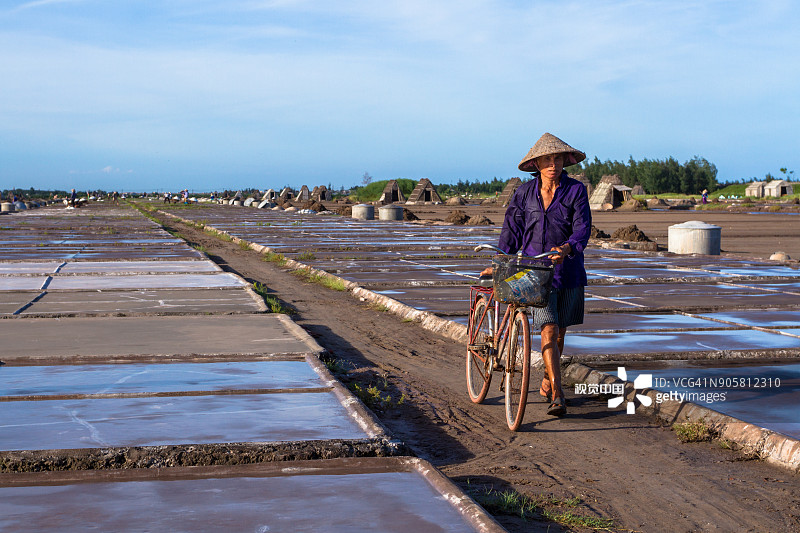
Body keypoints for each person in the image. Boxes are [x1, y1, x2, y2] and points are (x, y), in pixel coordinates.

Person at [481, 133, 591, 417]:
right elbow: (512, 230)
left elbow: (582, 228)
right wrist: (500, 261)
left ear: (565, 161)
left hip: (568, 271)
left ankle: (546, 379)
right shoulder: (524, 194)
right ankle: (558, 394)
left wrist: (567, 248)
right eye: (547, 159)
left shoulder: (576, 191)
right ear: (537, 164)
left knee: (560, 333)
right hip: (535, 273)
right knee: (549, 329)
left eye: (557, 159)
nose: (553, 164)